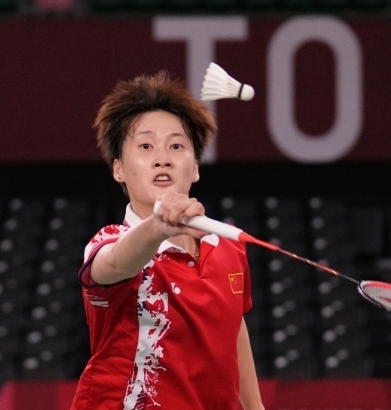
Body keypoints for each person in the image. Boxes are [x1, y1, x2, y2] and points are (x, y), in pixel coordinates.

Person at [71, 71, 264, 410]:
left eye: (177, 146)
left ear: (195, 169)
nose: (162, 157)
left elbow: (233, 329)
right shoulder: (111, 242)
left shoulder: (229, 247)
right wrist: (159, 226)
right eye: (145, 146)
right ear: (118, 169)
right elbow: (115, 263)